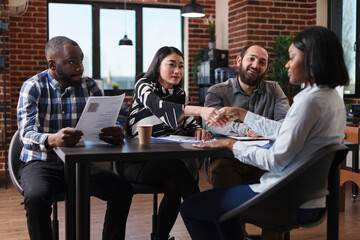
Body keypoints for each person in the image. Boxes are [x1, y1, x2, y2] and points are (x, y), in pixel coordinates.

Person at [180, 26, 349, 240]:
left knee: (191, 208)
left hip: (281, 197)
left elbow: (276, 160)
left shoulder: (308, 101)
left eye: (292, 57)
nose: (287, 64)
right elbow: (284, 131)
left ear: (311, 60)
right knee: (220, 200)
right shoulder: (332, 99)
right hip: (310, 199)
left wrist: (231, 144)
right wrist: (243, 114)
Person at [17, 36, 133, 240]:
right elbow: (26, 134)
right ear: (52, 64)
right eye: (72, 61)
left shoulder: (89, 86)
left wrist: (115, 131)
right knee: (36, 197)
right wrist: (53, 139)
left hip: (79, 163)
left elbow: (107, 120)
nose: (79, 67)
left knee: (122, 189)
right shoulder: (32, 86)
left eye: (81, 60)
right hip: (41, 162)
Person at [122, 46, 224, 240]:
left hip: (166, 163)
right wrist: (200, 110)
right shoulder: (144, 85)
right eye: (172, 65)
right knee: (177, 170)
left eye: (181, 66)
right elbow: (159, 107)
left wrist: (197, 130)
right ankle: (208, 233)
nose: (177, 71)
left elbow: (188, 125)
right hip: (136, 162)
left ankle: (161, 237)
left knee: (173, 186)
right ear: (158, 66)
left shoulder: (181, 94)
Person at [204, 43, 290, 188]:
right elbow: (211, 124)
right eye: (251, 59)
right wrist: (249, 130)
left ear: (267, 68)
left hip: (263, 158)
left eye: (262, 62)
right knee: (223, 177)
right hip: (227, 158)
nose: (255, 65)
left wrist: (261, 128)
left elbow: (286, 125)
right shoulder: (217, 91)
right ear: (239, 61)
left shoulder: (274, 90)